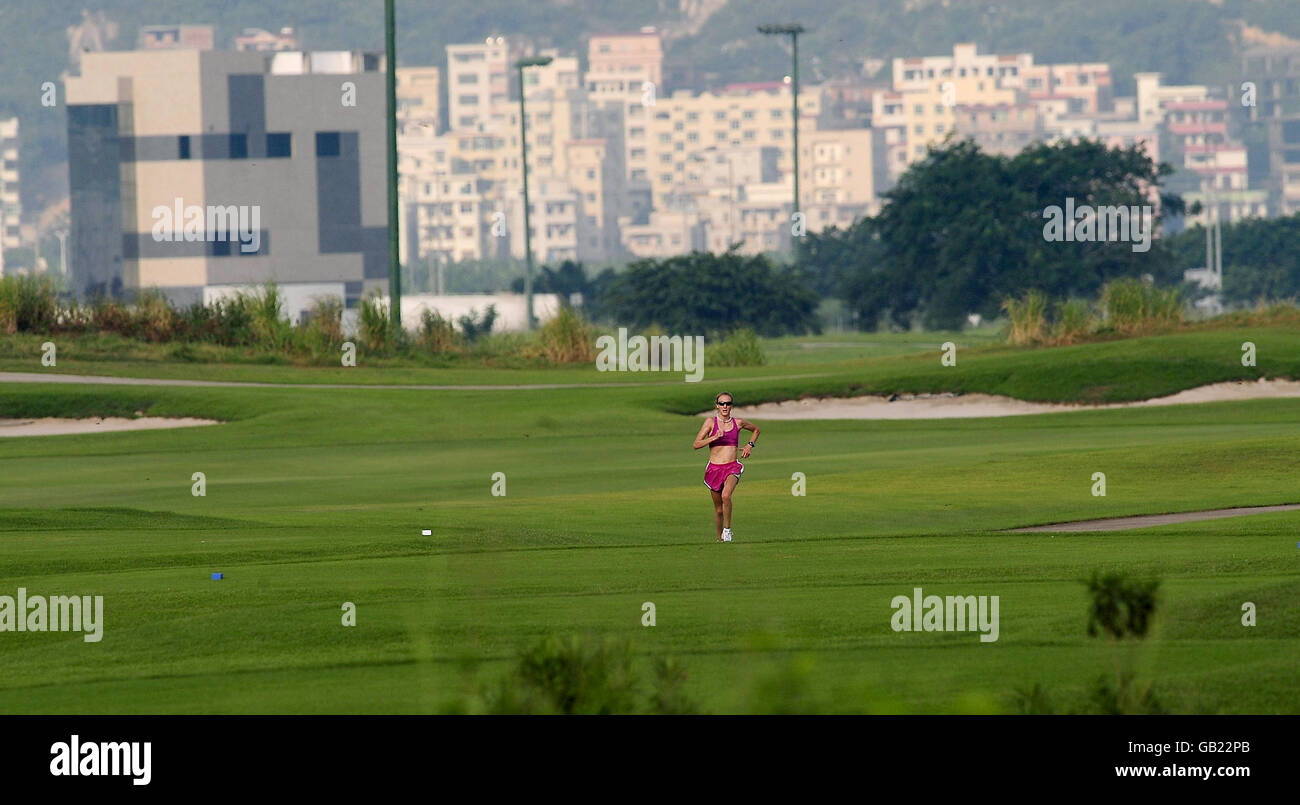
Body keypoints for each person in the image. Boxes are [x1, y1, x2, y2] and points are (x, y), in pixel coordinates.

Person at [692, 391, 760, 542]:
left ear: (731, 406)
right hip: (714, 469)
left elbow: (756, 430)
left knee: (726, 496)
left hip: (732, 467)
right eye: (722, 403)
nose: (725, 406)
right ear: (717, 405)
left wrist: (749, 445)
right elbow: (696, 445)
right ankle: (720, 539)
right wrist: (714, 437)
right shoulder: (710, 422)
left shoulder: (738, 422)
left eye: (728, 403)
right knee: (718, 509)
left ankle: (727, 530)